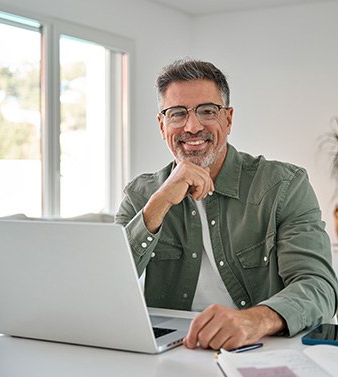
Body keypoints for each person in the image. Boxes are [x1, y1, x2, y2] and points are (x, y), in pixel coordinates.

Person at [115, 58, 338, 350]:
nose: (192, 126)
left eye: (207, 111)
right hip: (169, 355)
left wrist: (253, 320)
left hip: (260, 350)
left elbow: (319, 287)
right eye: (177, 113)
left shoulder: (284, 185)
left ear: (228, 119)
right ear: (162, 124)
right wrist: (159, 204)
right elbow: (103, 288)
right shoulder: (141, 195)